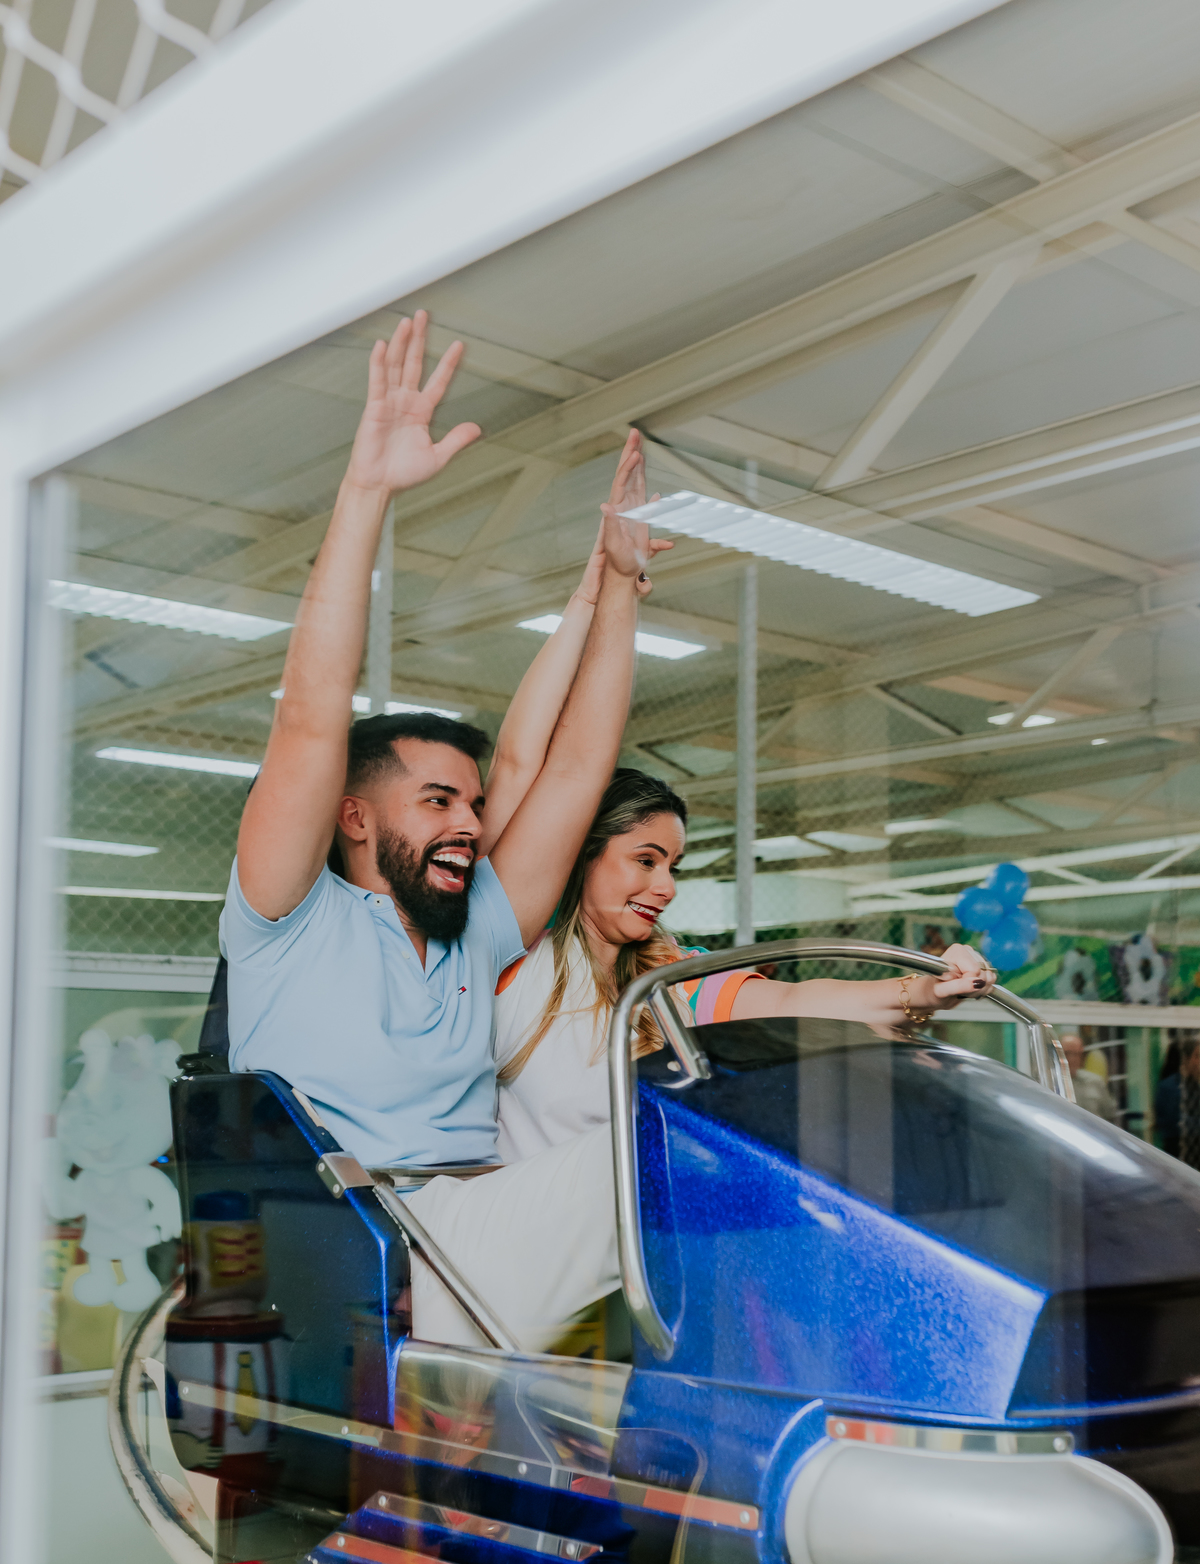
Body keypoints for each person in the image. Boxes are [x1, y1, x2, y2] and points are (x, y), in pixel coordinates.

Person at [222, 311, 666, 1347]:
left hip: (480, 1235)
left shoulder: (478, 931)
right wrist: (367, 492)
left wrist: (622, 588)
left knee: (694, 1156)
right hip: (365, 1238)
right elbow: (310, 709)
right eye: (439, 802)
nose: (472, 821)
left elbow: (574, 768)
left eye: (471, 801)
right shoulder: (288, 915)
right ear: (354, 815)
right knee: (666, 1158)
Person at [409, 767, 995, 1346]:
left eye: (672, 867)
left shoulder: (672, 979)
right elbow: (521, 766)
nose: (666, 887)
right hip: (511, 1270)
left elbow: (795, 1001)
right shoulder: (512, 962)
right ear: (581, 854)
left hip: (631, 1280)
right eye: (645, 860)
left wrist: (923, 991)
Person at [1060, 1035, 1117, 1124]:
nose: (1072, 1059)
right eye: (1067, 1053)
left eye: (1076, 1054)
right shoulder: (1047, 1083)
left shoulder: (1095, 1082)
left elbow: (1109, 1115)